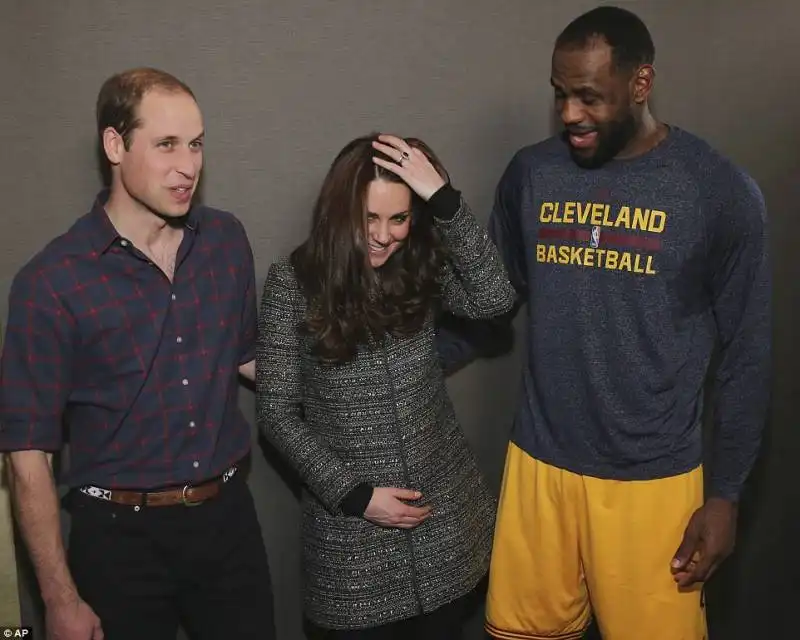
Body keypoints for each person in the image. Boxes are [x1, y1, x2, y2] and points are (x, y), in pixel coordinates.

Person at [436, 6, 771, 640]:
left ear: (640, 84)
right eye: (560, 95)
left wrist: (726, 494)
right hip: (540, 467)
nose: (569, 114)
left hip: (652, 483)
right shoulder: (532, 173)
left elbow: (748, 356)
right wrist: (385, 364)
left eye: (589, 96)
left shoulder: (717, 190)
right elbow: (488, 304)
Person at [0, 68, 275, 640]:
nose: (188, 166)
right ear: (115, 145)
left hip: (226, 521)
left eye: (196, 144)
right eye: (167, 144)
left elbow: (248, 356)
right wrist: (59, 598)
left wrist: (354, 382)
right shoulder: (51, 283)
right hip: (116, 540)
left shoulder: (225, 240)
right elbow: (27, 454)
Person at [256, 133, 515, 639]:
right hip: (353, 554)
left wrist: (444, 200)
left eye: (399, 219)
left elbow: (496, 298)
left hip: (445, 531)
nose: (382, 235)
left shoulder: (421, 266)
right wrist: (356, 496)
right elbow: (277, 414)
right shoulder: (293, 282)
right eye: (368, 218)